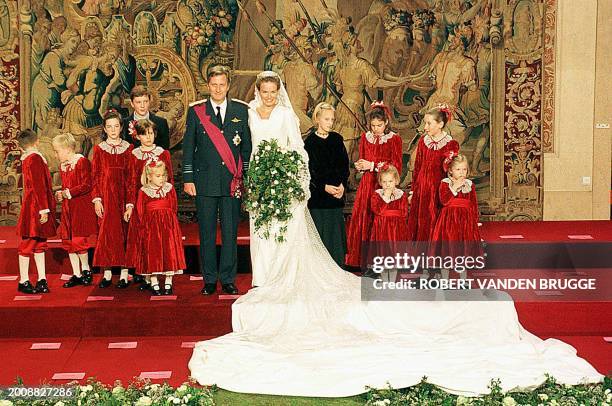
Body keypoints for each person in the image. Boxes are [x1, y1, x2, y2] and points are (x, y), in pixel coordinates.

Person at [187, 71, 602, 397]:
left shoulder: (284, 116)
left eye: (275, 91)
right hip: (261, 182)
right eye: (266, 91)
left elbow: (297, 150)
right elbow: (242, 149)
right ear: (258, 91)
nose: (271, 96)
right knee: (264, 236)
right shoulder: (245, 113)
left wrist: (297, 179)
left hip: (286, 181)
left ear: (280, 93)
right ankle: (259, 277)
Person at [182, 65, 252, 295]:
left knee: (231, 232)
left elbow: (246, 148)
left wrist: (246, 178)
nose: (218, 88)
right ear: (208, 86)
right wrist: (189, 179)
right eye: (214, 84)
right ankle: (210, 280)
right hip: (205, 181)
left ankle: (228, 279)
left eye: (222, 84)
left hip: (232, 181)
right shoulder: (196, 112)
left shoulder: (241, 111)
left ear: (228, 85)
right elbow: (188, 147)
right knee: (207, 232)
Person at [345, 102, 403, 269]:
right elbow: (363, 158)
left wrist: (372, 165)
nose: (375, 128)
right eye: (373, 125)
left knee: (379, 221)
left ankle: (379, 261)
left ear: (386, 123)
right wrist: (361, 165)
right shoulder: (365, 137)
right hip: (367, 184)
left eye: (379, 125)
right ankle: (360, 260)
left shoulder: (394, 139)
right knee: (364, 217)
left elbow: (396, 166)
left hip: (384, 185)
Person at [124, 119, 173, 291]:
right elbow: (130, 182)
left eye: (151, 133)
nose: (148, 137)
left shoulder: (163, 153)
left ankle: (162, 273)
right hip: (142, 202)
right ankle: (146, 275)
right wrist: (130, 205)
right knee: (143, 239)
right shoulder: (133, 155)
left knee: (160, 241)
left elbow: (170, 179)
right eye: (144, 134)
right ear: (138, 136)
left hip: (159, 203)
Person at [303, 102, 349, 268]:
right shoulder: (309, 143)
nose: (330, 122)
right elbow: (309, 172)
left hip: (336, 197)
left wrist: (342, 185)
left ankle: (338, 267)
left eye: (332, 119)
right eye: (327, 119)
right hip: (318, 200)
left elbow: (344, 165)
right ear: (317, 119)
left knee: (335, 237)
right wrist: (324, 187)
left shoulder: (337, 139)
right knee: (320, 236)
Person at [407, 106, 460, 249]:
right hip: (422, 190)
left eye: (429, 123)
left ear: (440, 124)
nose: (425, 127)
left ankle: (436, 258)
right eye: (425, 123)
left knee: (435, 222)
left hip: (438, 191)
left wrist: (449, 160)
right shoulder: (423, 142)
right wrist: (413, 191)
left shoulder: (450, 144)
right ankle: (421, 257)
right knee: (421, 222)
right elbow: (417, 168)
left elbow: (450, 170)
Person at [91, 110, 133, 288]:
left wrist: (130, 204)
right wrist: (97, 199)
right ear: (105, 129)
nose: (113, 129)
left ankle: (124, 272)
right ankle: (107, 272)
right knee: (107, 233)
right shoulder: (99, 149)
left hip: (123, 197)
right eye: (109, 127)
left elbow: (131, 178)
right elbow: (95, 176)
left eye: (116, 126)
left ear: (121, 127)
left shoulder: (129, 149)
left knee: (124, 232)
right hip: (107, 197)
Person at [52, 133, 97, 288]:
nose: (55, 155)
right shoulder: (63, 166)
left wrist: (69, 192)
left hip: (80, 207)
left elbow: (87, 184)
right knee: (69, 240)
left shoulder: (81, 162)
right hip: (68, 208)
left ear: (67, 150)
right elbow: (66, 186)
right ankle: (76, 273)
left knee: (79, 240)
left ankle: (86, 270)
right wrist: (61, 193)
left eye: (57, 151)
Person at [134, 160, 185, 296]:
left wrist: (171, 223)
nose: (161, 178)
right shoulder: (144, 191)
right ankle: (154, 281)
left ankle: (168, 281)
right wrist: (145, 228)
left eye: (163, 175)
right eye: (157, 176)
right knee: (154, 252)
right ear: (149, 176)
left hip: (168, 226)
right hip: (151, 228)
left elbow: (173, 206)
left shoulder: (169, 188)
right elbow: (140, 211)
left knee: (169, 251)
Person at [15, 129, 57, 294]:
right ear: (37, 141)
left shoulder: (28, 158)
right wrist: (44, 209)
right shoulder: (35, 158)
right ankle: (24, 280)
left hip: (34, 205)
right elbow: (39, 186)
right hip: (36, 207)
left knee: (40, 243)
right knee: (29, 243)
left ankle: (42, 278)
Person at [431, 154, 483, 280]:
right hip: (448, 220)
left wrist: (475, 222)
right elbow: (444, 200)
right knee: (447, 249)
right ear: (450, 170)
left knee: (462, 250)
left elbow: (473, 204)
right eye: (458, 169)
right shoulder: (445, 184)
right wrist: (454, 187)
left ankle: (463, 279)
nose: (461, 173)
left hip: (465, 221)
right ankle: (444, 279)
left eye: (464, 169)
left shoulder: (469, 185)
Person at [122, 85, 170, 150]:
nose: (142, 106)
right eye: (138, 102)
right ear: (132, 104)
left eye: (145, 101)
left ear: (150, 101)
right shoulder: (123, 124)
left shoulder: (161, 123)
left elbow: (165, 151)